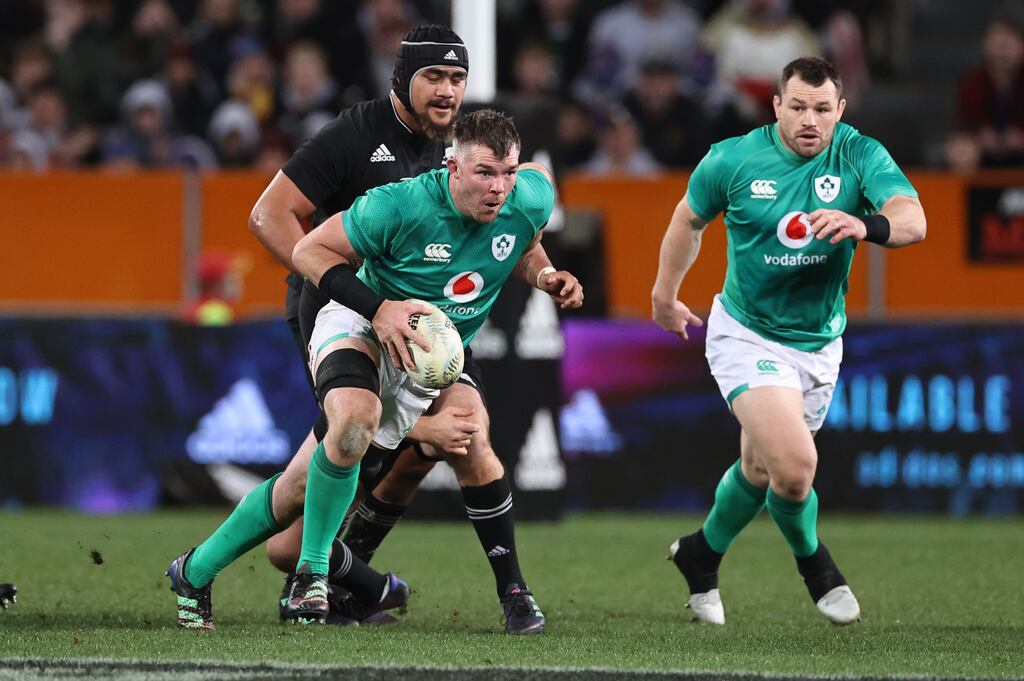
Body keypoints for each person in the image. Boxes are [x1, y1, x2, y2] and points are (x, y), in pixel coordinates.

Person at [166, 24, 472, 629]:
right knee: (353, 426)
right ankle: (318, 580)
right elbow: (268, 215)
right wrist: (348, 292)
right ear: (400, 81)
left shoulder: (457, 147)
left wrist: (543, 272)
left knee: (318, 470)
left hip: (408, 323)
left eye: (456, 78)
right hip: (337, 310)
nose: (446, 91)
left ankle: (200, 570)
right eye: (432, 76)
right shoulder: (354, 135)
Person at [651, 56, 925, 625]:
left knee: (759, 469)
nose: (809, 120)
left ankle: (701, 556)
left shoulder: (857, 153)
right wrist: (663, 294)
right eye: (797, 106)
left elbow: (912, 219)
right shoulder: (733, 158)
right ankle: (816, 566)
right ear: (776, 105)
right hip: (746, 333)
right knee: (796, 467)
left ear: (840, 110)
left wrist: (863, 224)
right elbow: (688, 219)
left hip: (820, 342)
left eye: (822, 109)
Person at [286, 108, 582, 633]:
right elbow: (307, 250)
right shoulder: (400, 204)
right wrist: (377, 310)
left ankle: (514, 591)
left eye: (508, 173)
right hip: (373, 342)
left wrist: (547, 275)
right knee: (285, 540)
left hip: (440, 355)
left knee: (467, 434)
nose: (499, 188)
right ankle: (227, 570)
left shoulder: (530, 195)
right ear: (451, 165)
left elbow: (525, 240)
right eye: (485, 173)